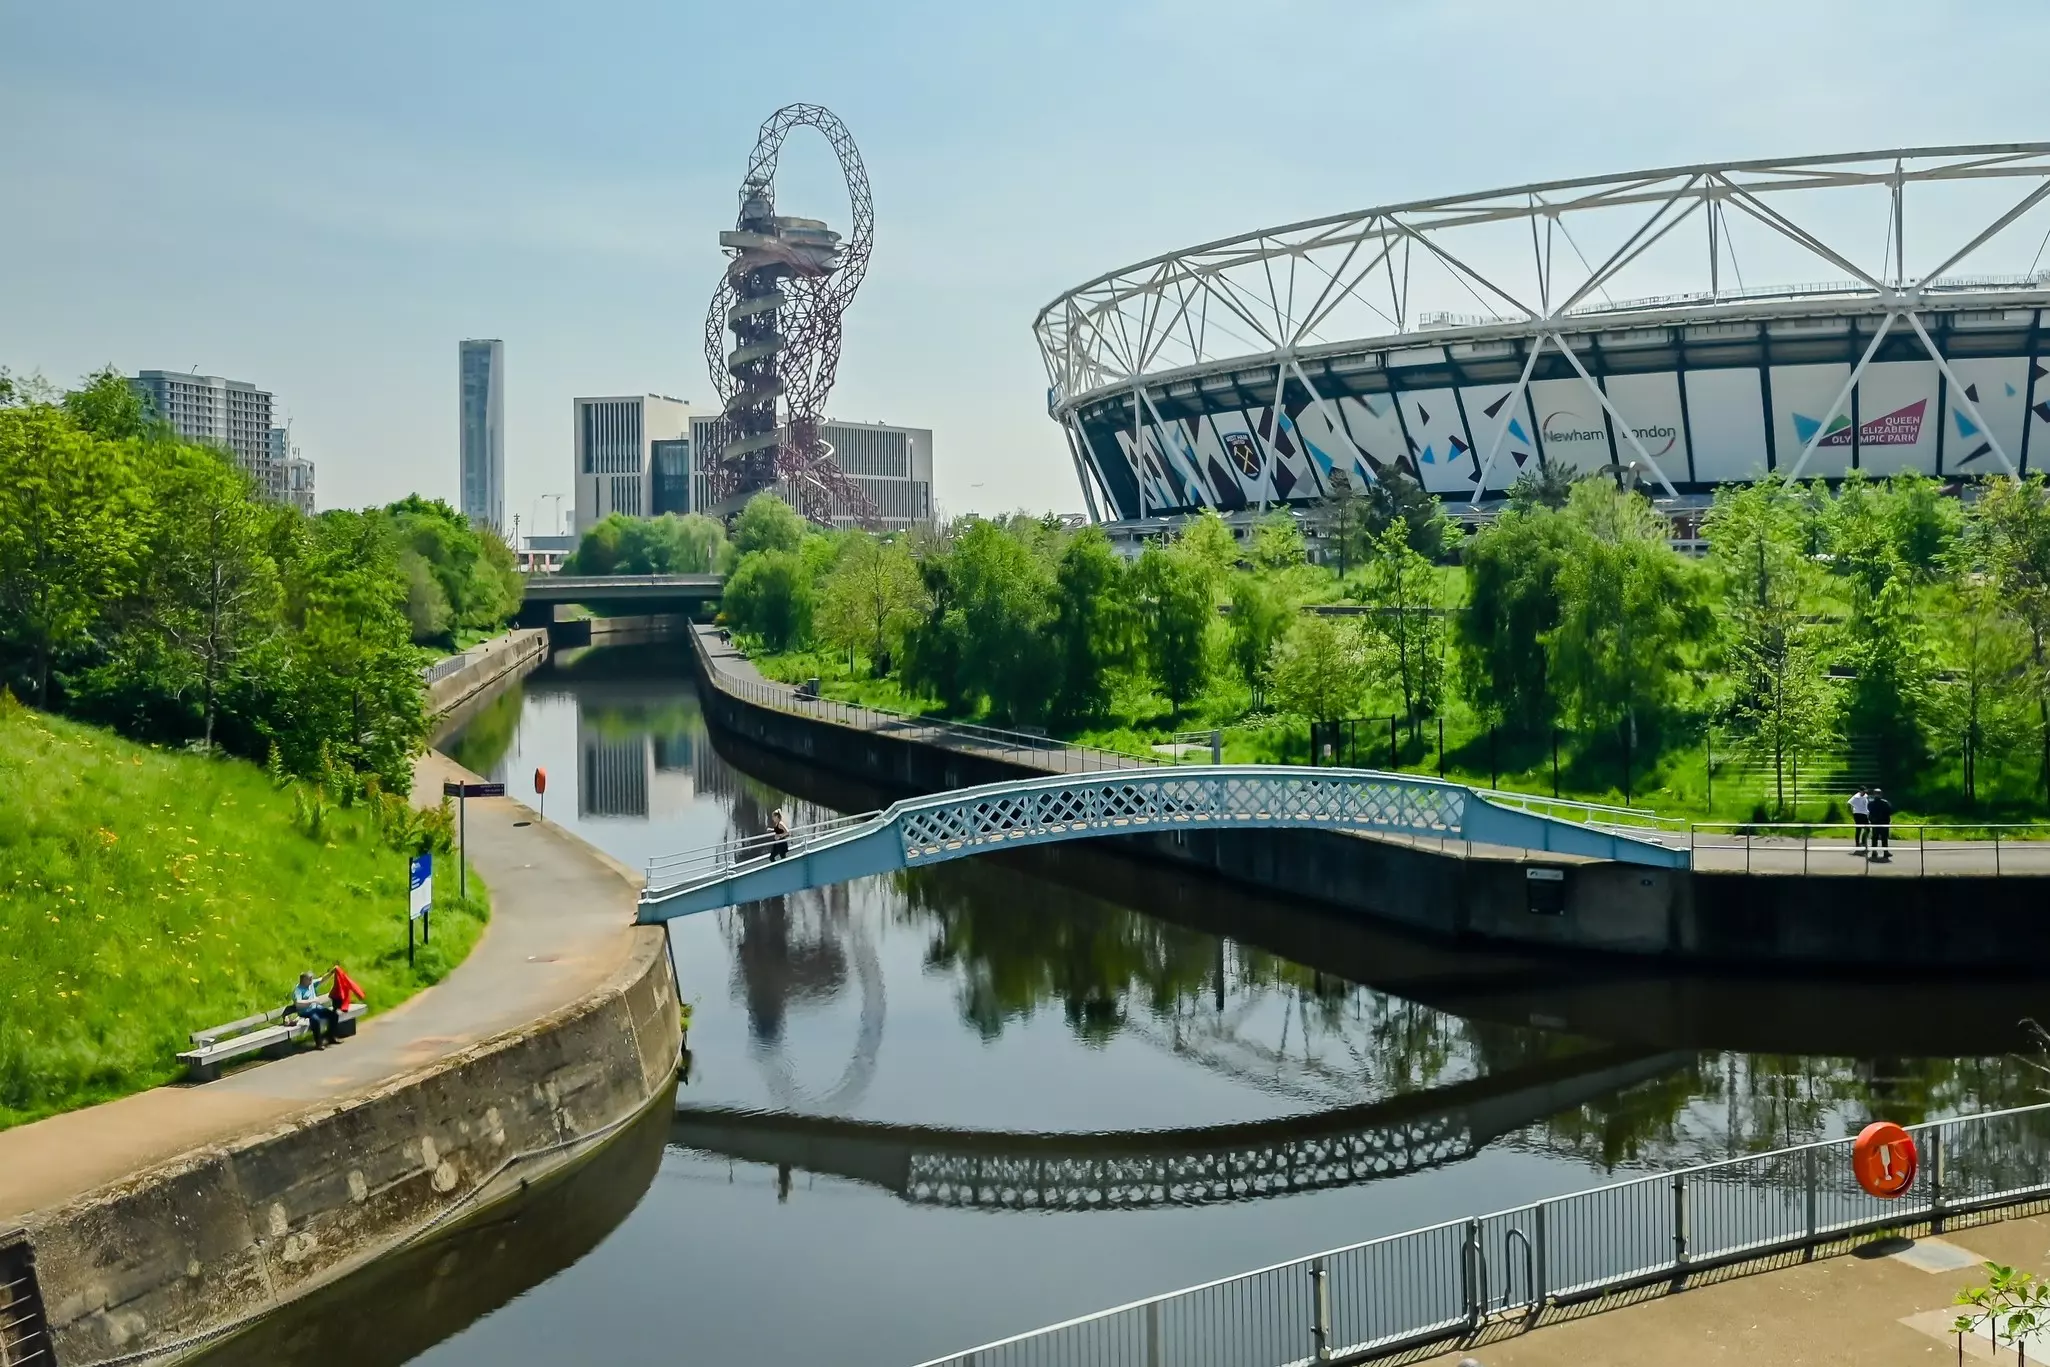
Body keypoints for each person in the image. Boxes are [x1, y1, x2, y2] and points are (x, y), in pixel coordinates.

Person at [292, 971, 340, 1049]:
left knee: (334, 1015)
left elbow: (322, 980)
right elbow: (298, 1003)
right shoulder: (298, 990)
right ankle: (318, 1043)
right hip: (306, 1012)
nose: (312, 980)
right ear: (304, 980)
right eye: (310, 979)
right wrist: (312, 1000)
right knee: (315, 1020)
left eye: (311, 978)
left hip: (316, 1008)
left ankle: (330, 1037)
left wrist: (332, 972)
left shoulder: (311, 984)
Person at [1868, 787, 1893, 861]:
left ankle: (1874, 852)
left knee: (1874, 838)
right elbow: (1889, 811)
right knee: (1884, 838)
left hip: (1875, 822)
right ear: (1881, 795)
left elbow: (1869, 812)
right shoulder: (1885, 803)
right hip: (1884, 822)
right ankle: (1885, 852)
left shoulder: (1871, 803)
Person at [1849, 786, 1871, 853]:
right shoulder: (1856, 797)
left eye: (1865, 791)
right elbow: (1849, 804)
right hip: (1858, 814)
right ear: (1860, 791)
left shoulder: (1865, 796)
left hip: (1864, 814)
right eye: (1863, 791)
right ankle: (1857, 844)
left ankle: (1863, 841)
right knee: (1858, 829)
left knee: (1867, 829)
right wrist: (1852, 813)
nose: (1864, 792)